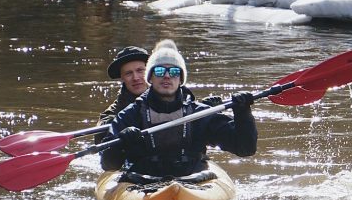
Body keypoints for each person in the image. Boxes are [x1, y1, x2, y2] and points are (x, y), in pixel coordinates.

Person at [100, 39, 258, 178]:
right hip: (142, 180)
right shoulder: (129, 115)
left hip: (192, 181)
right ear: (150, 78)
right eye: (160, 71)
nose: (167, 76)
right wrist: (120, 143)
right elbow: (108, 165)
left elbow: (245, 148)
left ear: (181, 79)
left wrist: (243, 113)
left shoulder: (200, 114)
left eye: (174, 71)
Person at [94, 46, 150, 144]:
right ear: (122, 78)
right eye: (129, 73)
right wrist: (121, 127)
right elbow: (100, 135)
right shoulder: (114, 111)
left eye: (140, 70)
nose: (135, 78)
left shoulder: (170, 97)